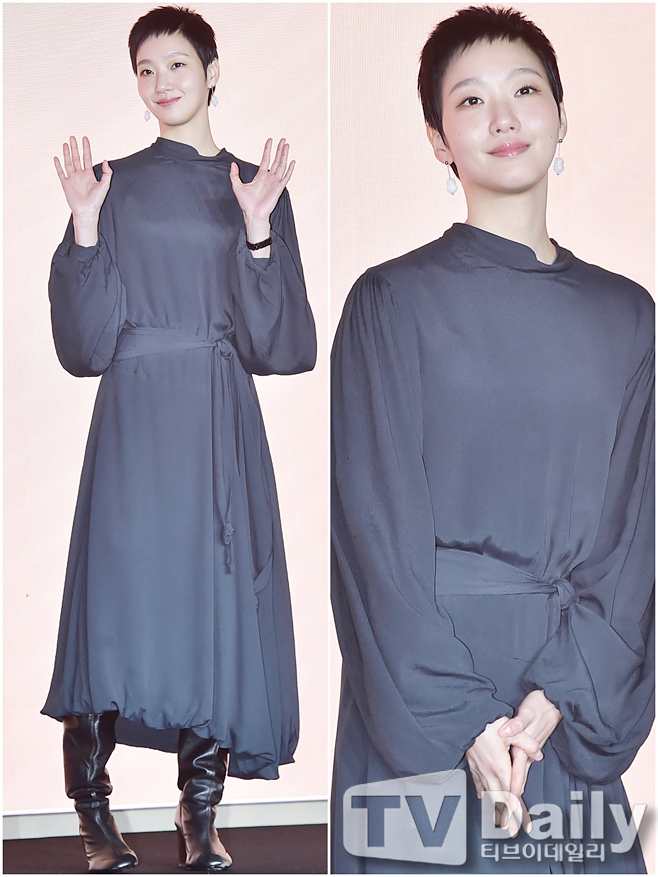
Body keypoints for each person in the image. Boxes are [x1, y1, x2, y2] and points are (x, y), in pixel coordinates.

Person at [331, 5, 654, 873]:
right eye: (470, 101)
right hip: (425, 691)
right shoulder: (389, 303)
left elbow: (634, 539)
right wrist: (469, 720)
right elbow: (373, 538)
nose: (503, 116)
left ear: (560, 115)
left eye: (525, 90)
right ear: (439, 139)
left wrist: (558, 696)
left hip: (563, 692)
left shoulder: (629, 316)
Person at [41, 5, 316, 872]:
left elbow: (281, 344)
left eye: (178, 64)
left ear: (212, 70)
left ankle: (199, 816)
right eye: (146, 69)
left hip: (217, 415)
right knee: (116, 607)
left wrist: (258, 229)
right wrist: (86, 226)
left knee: (211, 608)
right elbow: (83, 348)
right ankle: (92, 814)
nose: (162, 83)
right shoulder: (109, 185)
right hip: (134, 417)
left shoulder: (254, 185)